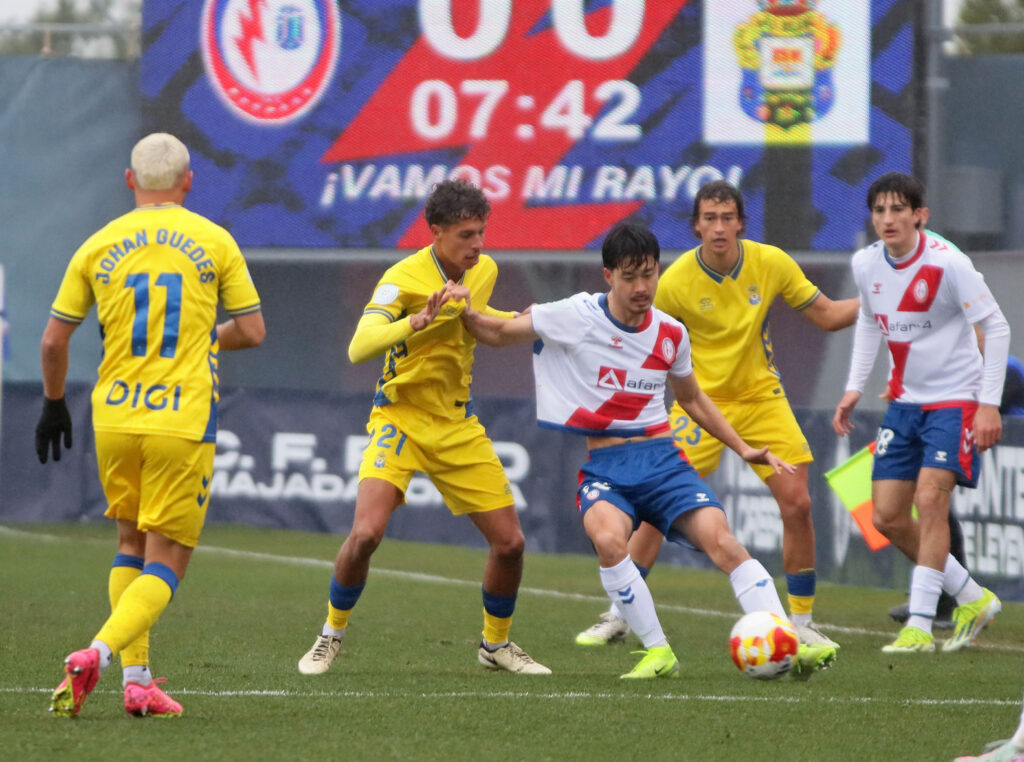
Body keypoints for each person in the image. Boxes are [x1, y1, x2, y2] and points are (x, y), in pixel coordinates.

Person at [457, 220, 837, 679]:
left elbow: (692, 399)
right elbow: (497, 332)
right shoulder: (576, 314)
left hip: (663, 463)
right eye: (630, 276)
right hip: (607, 469)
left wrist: (743, 448)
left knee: (724, 544)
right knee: (609, 539)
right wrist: (461, 309)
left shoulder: (671, 333)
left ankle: (788, 644)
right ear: (608, 276)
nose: (642, 287)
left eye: (650, 274)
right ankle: (659, 653)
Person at [37, 133, 266, 717]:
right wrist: (203, 338)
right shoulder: (214, 241)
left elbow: (53, 339)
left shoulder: (97, 244)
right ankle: (100, 654)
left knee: (128, 543)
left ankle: (138, 684)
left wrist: (54, 403)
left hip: (113, 415)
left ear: (129, 181)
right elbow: (253, 331)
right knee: (167, 557)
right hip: (180, 418)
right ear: (189, 180)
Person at [575, 180, 857, 650]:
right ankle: (621, 614)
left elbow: (827, 315)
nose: (719, 227)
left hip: (763, 398)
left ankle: (801, 624)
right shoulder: (678, 279)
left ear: (741, 223)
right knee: (651, 506)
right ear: (696, 226)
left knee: (799, 503)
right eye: (710, 218)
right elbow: (636, 326)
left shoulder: (771, 263)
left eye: (727, 218)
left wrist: (882, 302)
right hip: (699, 404)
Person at [296, 179, 549, 676]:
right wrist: (413, 323)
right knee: (366, 534)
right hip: (400, 418)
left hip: (456, 422)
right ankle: (330, 635)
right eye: (465, 235)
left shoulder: (485, 270)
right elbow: (359, 346)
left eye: (481, 233)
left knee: (511, 543)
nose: (477, 245)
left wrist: (525, 322)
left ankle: (495, 646)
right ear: (435, 232)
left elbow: (477, 327)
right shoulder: (403, 278)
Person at [833, 171, 1009, 653]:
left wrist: (988, 404)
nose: (888, 219)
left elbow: (996, 328)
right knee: (887, 515)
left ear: (919, 216)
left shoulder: (949, 264)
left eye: (897, 210)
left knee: (932, 502)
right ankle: (972, 597)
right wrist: (853, 388)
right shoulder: (866, 264)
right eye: (879, 211)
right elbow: (870, 322)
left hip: (956, 400)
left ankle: (920, 623)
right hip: (904, 403)